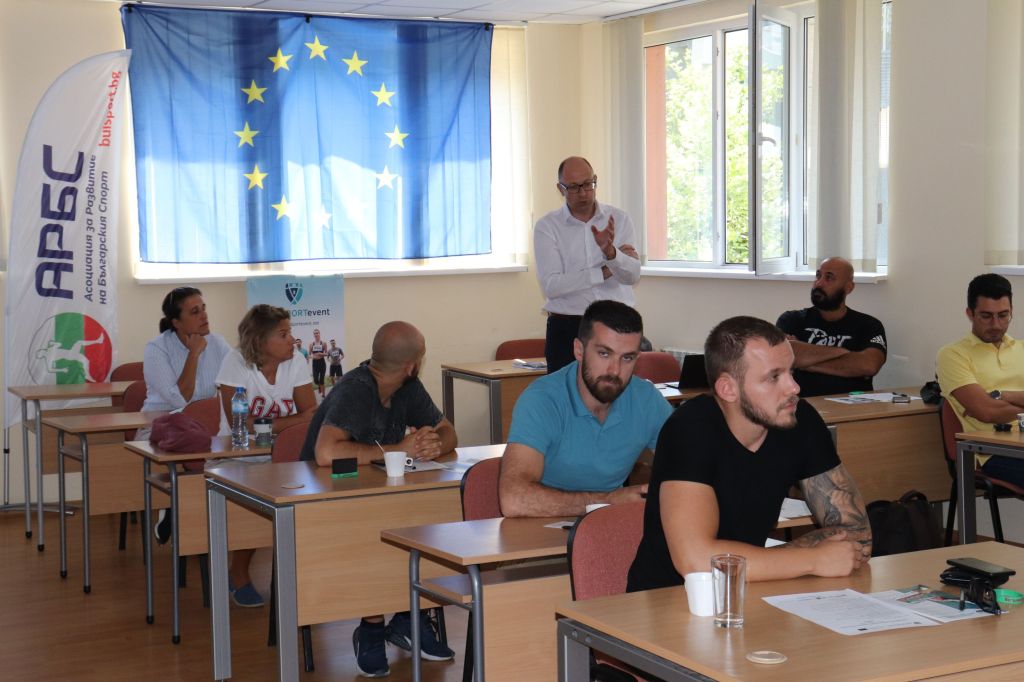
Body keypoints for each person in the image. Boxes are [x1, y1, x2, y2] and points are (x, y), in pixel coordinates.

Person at [627, 316, 872, 592]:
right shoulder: (690, 429)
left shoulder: (798, 418)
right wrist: (812, 560)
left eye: (791, 372)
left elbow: (857, 533)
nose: (794, 388)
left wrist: (773, 563)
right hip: (670, 598)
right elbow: (695, 560)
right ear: (728, 389)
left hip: (749, 589)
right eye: (774, 377)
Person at [299, 321, 457, 678]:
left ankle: (409, 617)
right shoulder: (355, 389)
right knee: (373, 527)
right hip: (323, 499)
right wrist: (397, 448)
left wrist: (435, 445)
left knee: (421, 520)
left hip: (377, 492)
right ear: (412, 365)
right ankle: (371, 629)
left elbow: (449, 431)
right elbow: (325, 454)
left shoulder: (408, 388)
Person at [498, 300, 672, 517]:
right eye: (604, 354)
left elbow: (691, 461)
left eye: (627, 358)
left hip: (609, 524)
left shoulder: (645, 398)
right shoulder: (542, 399)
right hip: (541, 525)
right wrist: (607, 501)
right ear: (579, 350)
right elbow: (514, 500)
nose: (615, 370)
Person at [216, 304, 317, 607]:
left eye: (290, 332)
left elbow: (312, 416)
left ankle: (304, 576)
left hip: (284, 456)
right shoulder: (236, 362)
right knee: (253, 504)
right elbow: (241, 424)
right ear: (260, 341)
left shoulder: (296, 361)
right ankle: (238, 572)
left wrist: (272, 427)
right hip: (237, 456)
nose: (292, 340)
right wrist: (286, 424)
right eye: (283, 335)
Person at [142, 286, 232, 544]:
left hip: (205, 429)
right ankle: (176, 504)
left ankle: (198, 513)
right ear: (176, 322)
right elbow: (179, 399)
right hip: (162, 429)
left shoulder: (218, 344)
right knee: (196, 451)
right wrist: (194, 353)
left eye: (203, 308)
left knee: (233, 453)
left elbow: (238, 380)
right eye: (195, 312)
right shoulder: (157, 349)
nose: (204, 315)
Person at [534, 156, 641, 373]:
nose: (583, 193)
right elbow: (552, 287)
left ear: (595, 181)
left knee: (616, 390)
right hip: (568, 327)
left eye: (588, 184)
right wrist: (605, 270)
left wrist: (611, 253)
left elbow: (631, 276)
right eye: (573, 187)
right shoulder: (548, 226)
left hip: (617, 325)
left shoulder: (619, 219)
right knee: (565, 392)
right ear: (560, 188)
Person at [937, 274, 1024, 488]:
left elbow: (990, 406)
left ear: (1012, 311)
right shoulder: (953, 354)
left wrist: (1001, 396)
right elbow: (987, 412)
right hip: (993, 452)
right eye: (986, 316)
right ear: (970, 314)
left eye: (1003, 315)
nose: (996, 324)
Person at [776, 257, 887, 397]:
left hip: (853, 406)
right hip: (801, 405)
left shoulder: (869, 325)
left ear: (848, 287)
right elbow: (782, 355)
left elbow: (869, 365)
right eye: (818, 276)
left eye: (829, 278)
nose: (819, 283)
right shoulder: (791, 320)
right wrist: (844, 353)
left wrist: (805, 362)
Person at [309, 329, 327, 397]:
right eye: (315, 333)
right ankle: (319, 385)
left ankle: (323, 394)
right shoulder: (311, 344)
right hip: (315, 363)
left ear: (319, 334)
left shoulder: (323, 343)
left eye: (317, 333)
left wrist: (321, 354)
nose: (316, 334)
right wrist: (313, 356)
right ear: (313, 335)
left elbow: (327, 354)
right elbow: (309, 355)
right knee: (316, 380)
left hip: (322, 363)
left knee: (322, 379)